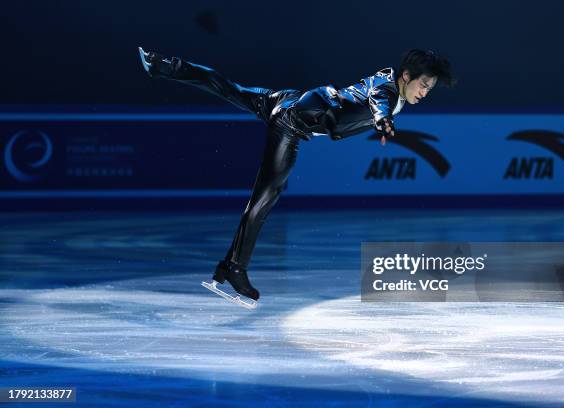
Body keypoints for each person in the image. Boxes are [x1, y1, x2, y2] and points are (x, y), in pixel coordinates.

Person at [138, 47, 454, 306]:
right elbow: (377, 103)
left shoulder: (388, 78)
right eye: (423, 85)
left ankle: (162, 65)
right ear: (407, 76)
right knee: (266, 196)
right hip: (290, 124)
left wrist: (383, 116)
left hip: (285, 100)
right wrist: (383, 121)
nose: (425, 93)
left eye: (430, 88)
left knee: (226, 86)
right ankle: (234, 267)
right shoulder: (386, 90)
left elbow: (374, 98)